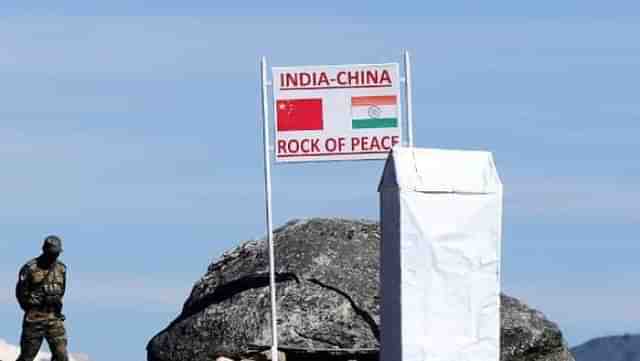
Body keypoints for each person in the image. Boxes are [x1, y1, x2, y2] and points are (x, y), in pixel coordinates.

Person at [15, 236, 69, 361]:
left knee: (61, 355)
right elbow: (21, 293)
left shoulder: (61, 269)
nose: (54, 257)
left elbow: (62, 291)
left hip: (54, 317)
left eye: (56, 254)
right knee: (27, 356)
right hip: (35, 319)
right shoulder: (30, 268)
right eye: (51, 254)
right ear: (44, 250)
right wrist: (32, 306)